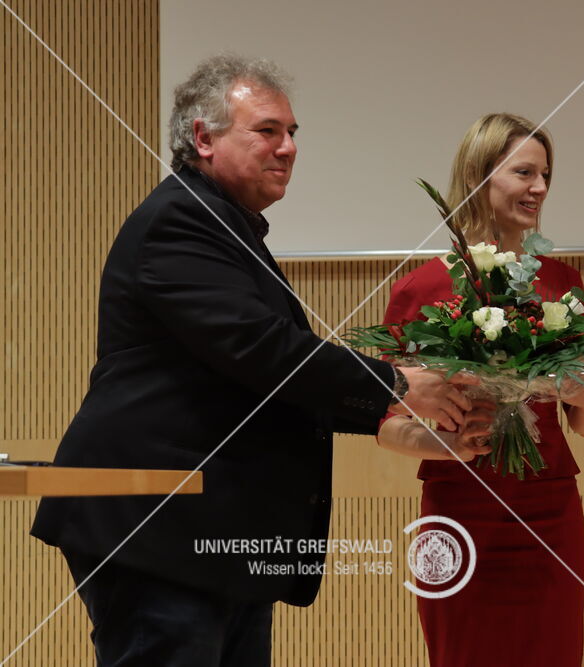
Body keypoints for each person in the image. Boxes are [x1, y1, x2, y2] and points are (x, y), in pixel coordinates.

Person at [30, 54, 475, 667]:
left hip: (212, 536)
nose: (289, 147)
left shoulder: (226, 226)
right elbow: (261, 349)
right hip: (158, 531)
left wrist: (388, 422)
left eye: (293, 133)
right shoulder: (180, 222)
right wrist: (398, 384)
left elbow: (259, 380)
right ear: (203, 138)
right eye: (267, 130)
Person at [377, 113, 584, 666]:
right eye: (525, 172)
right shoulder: (422, 287)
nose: (540, 188)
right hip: (459, 505)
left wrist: (570, 387)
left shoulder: (562, 282)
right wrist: (448, 447)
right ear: (480, 176)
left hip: (550, 505)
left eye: (546, 175)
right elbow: (385, 424)